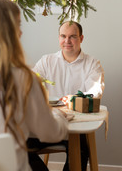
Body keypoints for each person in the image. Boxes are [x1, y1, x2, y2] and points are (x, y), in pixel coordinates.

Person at [0, 0, 68, 171]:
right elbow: (50, 132)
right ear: (5, 31)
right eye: (18, 25)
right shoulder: (23, 78)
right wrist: (60, 116)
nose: (21, 32)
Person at [31, 21, 105, 171]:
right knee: (18, 143)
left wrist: (73, 99)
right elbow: (30, 85)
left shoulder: (92, 63)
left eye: (72, 36)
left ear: (81, 38)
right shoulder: (46, 61)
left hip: (76, 125)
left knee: (80, 150)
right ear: (59, 38)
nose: (67, 41)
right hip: (49, 123)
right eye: (63, 36)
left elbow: (95, 92)